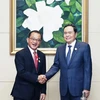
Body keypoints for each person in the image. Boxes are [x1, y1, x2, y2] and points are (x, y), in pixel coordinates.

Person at [39, 24, 92, 100]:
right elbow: (56, 66)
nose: (67, 35)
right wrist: (45, 76)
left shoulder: (84, 47)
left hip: (79, 89)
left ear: (75, 34)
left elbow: (88, 69)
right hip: (64, 90)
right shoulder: (60, 49)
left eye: (69, 33)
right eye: (65, 33)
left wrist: (86, 88)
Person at [11, 30, 46, 100]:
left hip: (36, 94)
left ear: (40, 42)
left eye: (38, 40)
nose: (35, 42)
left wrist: (43, 91)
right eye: (33, 39)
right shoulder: (20, 54)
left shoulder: (42, 55)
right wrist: (37, 78)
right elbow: (21, 72)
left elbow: (43, 74)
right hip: (22, 93)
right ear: (28, 40)